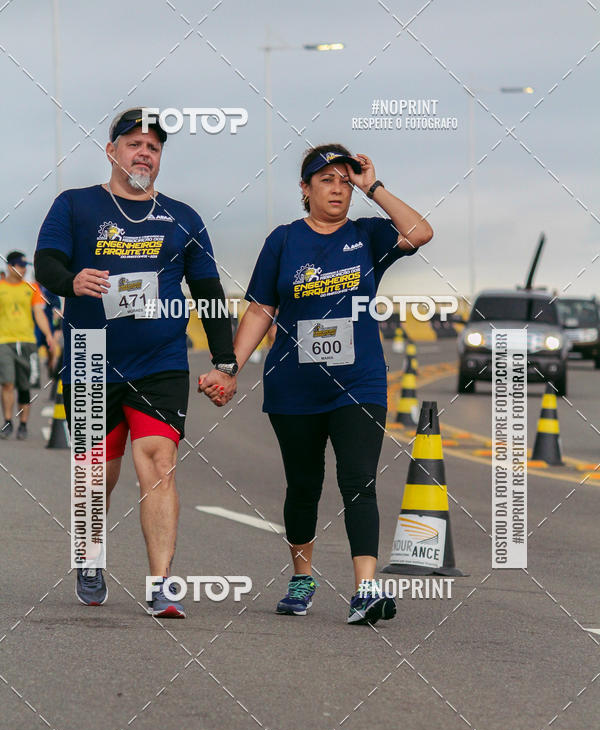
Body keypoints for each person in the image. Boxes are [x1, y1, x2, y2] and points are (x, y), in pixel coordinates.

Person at [35, 107, 238, 617]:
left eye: (153, 146)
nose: (144, 152)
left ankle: (161, 583)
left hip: (160, 361)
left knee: (159, 462)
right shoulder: (75, 205)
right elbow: (46, 262)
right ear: (112, 151)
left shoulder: (183, 217)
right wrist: (70, 280)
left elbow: (208, 291)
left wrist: (225, 361)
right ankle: (89, 557)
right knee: (96, 474)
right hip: (90, 359)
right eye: (134, 144)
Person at [226, 144, 432, 625]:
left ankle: (365, 590)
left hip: (359, 382)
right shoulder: (283, 241)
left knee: (358, 481)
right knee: (304, 485)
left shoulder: (368, 235)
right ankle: (302, 578)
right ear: (305, 188)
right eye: (326, 180)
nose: (338, 188)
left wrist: (373, 186)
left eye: (344, 180)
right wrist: (229, 367)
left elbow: (419, 231)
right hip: (293, 385)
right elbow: (260, 310)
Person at [0, 251, 56, 439]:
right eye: (20, 266)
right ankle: (8, 421)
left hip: (27, 341)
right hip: (4, 341)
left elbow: (39, 313)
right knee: (7, 383)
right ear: (10, 267)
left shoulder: (32, 288)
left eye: (25, 267)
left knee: (25, 386)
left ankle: (23, 424)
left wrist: (48, 334)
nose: (24, 270)